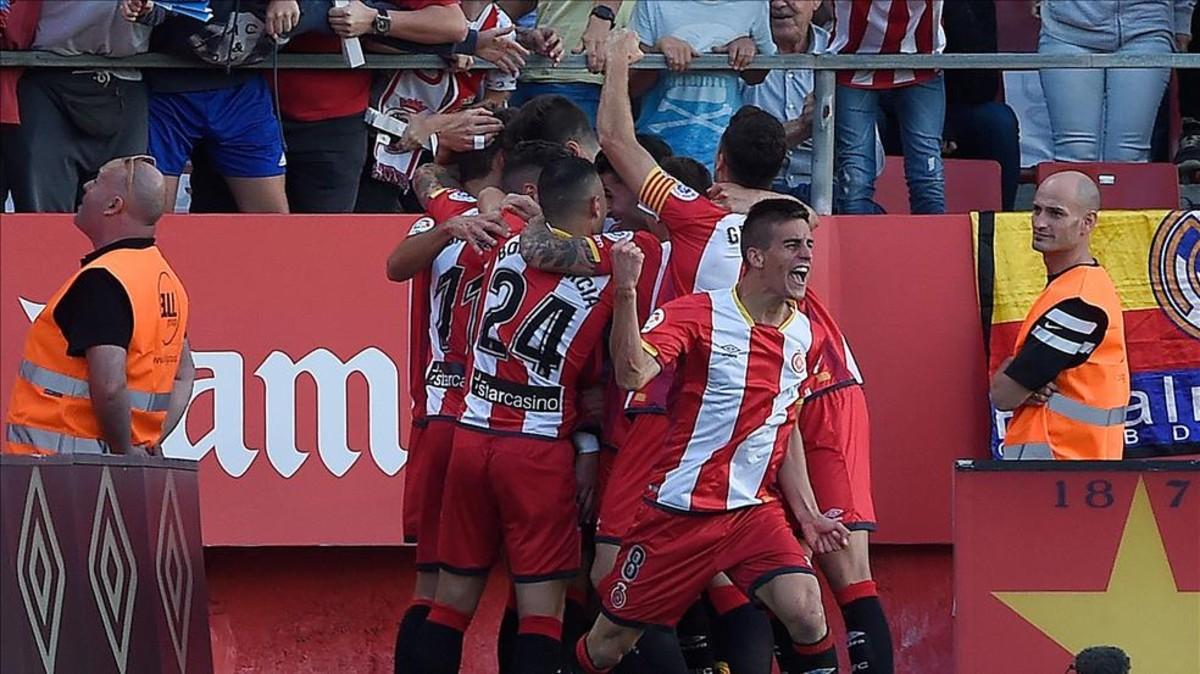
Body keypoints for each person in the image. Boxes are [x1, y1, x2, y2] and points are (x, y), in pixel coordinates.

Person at [571, 199, 849, 674]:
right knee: (609, 643)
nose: (805, 255)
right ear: (756, 256)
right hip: (679, 514)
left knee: (806, 611)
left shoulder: (807, 334)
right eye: (791, 245)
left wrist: (807, 513)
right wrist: (625, 290)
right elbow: (633, 372)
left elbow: (785, 422)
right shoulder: (697, 315)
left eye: (808, 244)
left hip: (751, 513)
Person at [417, 158, 661, 674]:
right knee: (541, 614)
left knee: (449, 603)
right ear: (596, 206)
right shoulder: (621, 256)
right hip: (537, 448)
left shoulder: (504, 234)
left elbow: (431, 185)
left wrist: (506, 211)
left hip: (470, 434)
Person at [385, 138, 571, 673]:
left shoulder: (453, 215)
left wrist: (453, 209)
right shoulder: (563, 245)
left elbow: (403, 246)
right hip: (507, 424)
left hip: (447, 421)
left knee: (438, 589)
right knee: (539, 590)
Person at [4, 156, 195, 457]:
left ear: (113, 206)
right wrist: (145, 444)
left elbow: (109, 387)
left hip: (63, 472)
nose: (87, 185)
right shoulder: (166, 279)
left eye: (98, 181)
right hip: (98, 468)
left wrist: (124, 456)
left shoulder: (104, 281)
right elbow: (185, 375)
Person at [989, 170, 1130, 461]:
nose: (1040, 222)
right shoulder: (1078, 287)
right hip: (1066, 471)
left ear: (1087, 223)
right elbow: (1008, 390)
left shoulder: (1079, 303)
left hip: (1064, 473)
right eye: (1036, 209)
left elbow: (1002, 396)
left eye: (1055, 214)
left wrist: (1012, 377)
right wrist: (1017, 376)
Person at [123, 0, 291, 214]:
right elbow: (153, 12)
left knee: (272, 222)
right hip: (167, 92)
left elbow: (328, 12)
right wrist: (145, 10)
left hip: (241, 94)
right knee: (151, 216)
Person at [8, 0, 151, 213]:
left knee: (122, 218)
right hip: (48, 73)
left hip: (127, 75)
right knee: (43, 221)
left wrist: (153, 9)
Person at [742, 0, 884, 204]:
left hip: (830, 192)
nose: (779, 4)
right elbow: (726, 155)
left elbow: (872, 163)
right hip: (755, 193)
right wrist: (803, 126)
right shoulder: (741, 54)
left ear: (817, 2)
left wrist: (836, 125)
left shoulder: (840, 54)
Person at [1037, 0, 1193, 162]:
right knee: (1076, 150)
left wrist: (1182, 18)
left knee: (1128, 154)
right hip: (1067, 29)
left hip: (1147, 29)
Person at [829, 0, 946, 214]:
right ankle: (854, 245)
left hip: (922, 62)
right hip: (851, 62)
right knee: (856, 178)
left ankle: (933, 245)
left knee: (927, 173)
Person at [630, 0, 775, 172]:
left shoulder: (754, 4)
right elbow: (631, 86)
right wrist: (657, 52)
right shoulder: (651, 3)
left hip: (724, 159)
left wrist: (748, 50)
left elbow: (757, 77)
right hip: (657, 155)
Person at [938, 0, 1020, 211]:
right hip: (898, 108)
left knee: (999, 121)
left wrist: (955, 10)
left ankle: (1001, 224)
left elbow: (983, 86)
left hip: (955, 108)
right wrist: (935, 123)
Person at [502, 0, 634, 124]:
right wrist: (523, 35)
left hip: (580, 77)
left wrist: (602, 17)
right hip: (527, 75)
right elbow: (507, 10)